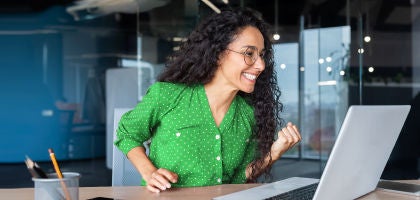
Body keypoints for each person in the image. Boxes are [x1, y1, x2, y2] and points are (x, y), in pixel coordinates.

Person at [114, 8, 301, 193]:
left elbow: (238, 179)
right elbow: (127, 133)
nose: (260, 65)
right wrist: (150, 172)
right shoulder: (168, 95)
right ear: (218, 54)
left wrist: (273, 154)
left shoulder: (247, 114)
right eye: (249, 53)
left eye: (261, 55)